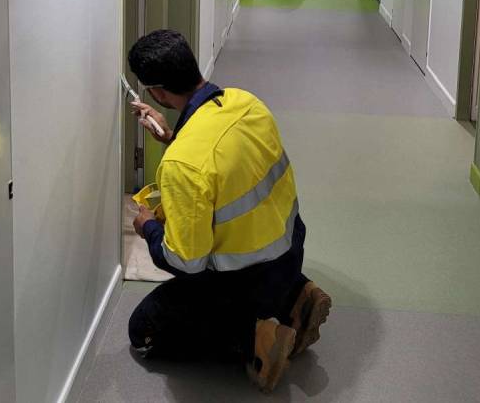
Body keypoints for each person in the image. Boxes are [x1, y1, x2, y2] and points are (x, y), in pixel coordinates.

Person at [126, 30, 331, 393]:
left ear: (156, 91)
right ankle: (297, 295)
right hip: (289, 253)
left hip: (243, 281)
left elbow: (185, 262)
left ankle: (255, 338)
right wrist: (173, 139)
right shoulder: (245, 102)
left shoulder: (183, 166)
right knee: (258, 279)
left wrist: (147, 228)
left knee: (143, 332)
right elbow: (222, 163)